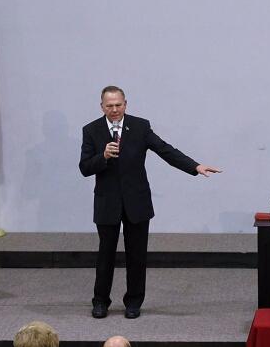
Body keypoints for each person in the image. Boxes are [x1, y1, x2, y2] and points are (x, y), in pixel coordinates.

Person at [79, 85, 221, 319]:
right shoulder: (91, 130)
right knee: (105, 255)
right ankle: (100, 301)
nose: (114, 110)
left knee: (137, 255)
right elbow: (84, 168)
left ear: (126, 104)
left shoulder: (140, 126)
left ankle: (134, 302)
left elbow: (166, 151)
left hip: (137, 202)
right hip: (107, 203)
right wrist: (101, 157)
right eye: (109, 106)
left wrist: (195, 167)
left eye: (118, 105)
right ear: (101, 106)